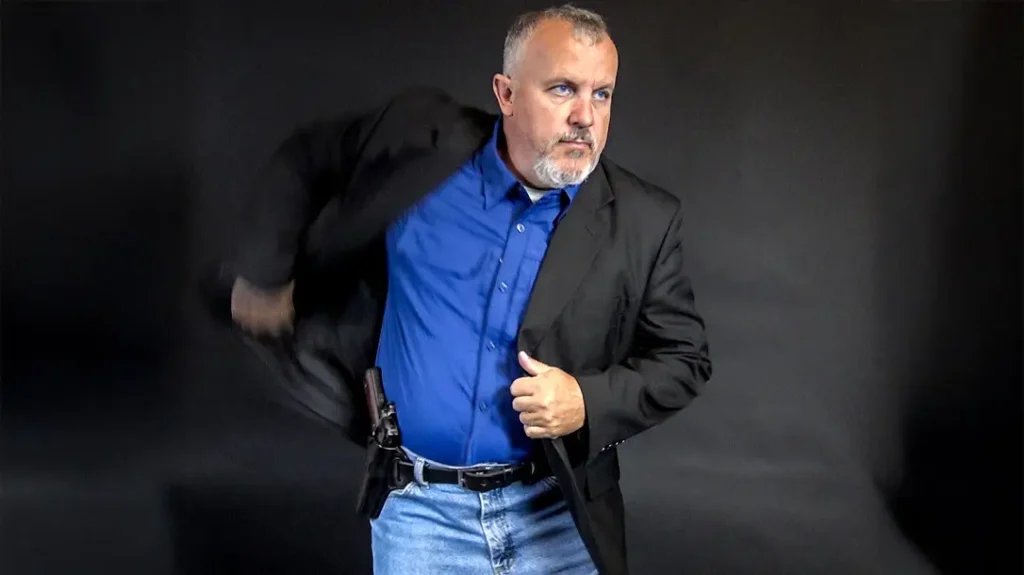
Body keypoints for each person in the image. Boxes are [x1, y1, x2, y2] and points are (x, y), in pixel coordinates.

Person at [219, 5, 711, 575]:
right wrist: (266, 272)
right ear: (506, 93)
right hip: (420, 517)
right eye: (562, 89)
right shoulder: (420, 145)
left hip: (559, 517)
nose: (585, 116)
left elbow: (685, 360)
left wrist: (586, 401)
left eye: (602, 94)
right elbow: (308, 158)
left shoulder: (644, 220)